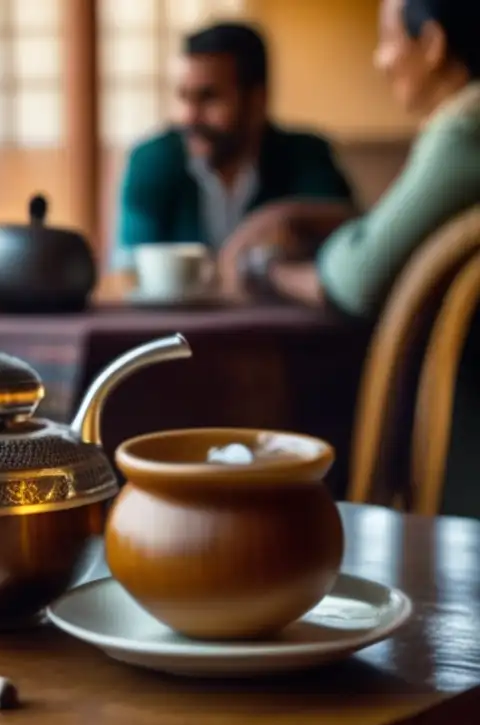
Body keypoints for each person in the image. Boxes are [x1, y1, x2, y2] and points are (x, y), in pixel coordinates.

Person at [225, 0, 480, 516]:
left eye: (388, 40)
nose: (381, 60)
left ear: (431, 45)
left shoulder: (464, 131)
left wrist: (267, 269)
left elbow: (357, 277)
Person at [111, 22, 356, 276]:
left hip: (277, 315)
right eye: (184, 97)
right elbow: (130, 267)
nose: (189, 118)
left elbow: (351, 233)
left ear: (257, 101)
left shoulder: (305, 154)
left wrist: (282, 216)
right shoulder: (151, 160)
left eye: (209, 98)